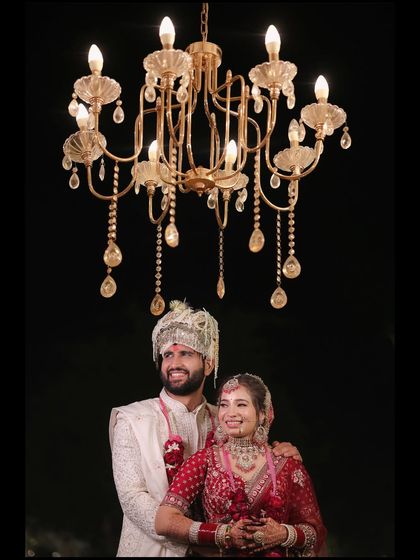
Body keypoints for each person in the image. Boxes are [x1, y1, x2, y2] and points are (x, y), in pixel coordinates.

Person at [109, 300, 302, 557]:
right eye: (167, 354)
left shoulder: (225, 416)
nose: (174, 362)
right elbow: (133, 499)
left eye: (186, 353)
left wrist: (280, 453)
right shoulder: (133, 418)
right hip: (153, 550)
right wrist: (202, 540)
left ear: (208, 363)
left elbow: (255, 466)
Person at [155, 373, 327, 557]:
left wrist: (284, 534)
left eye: (241, 404)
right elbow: (164, 521)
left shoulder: (287, 464)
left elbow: (314, 530)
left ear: (262, 413)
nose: (231, 413)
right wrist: (224, 534)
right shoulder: (203, 461)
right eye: (224, 404)